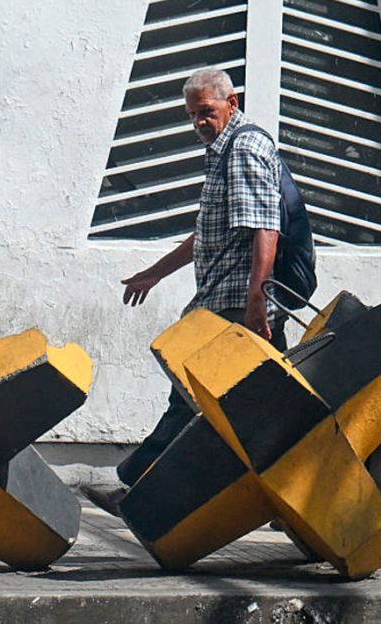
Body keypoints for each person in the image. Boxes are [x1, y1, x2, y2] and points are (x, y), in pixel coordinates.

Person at [115, 68, 289, 488]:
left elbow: (266, 226)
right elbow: (212, 231)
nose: (198, 123)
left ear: (232, 102)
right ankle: (286, 492)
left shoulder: (244, 148)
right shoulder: (225, 150)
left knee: (190, 390)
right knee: (274, 405)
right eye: (192, 115)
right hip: (228, 296)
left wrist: (255, 299)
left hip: (236, 301)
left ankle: (138, 484)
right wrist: (153, 274)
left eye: (206, 112)